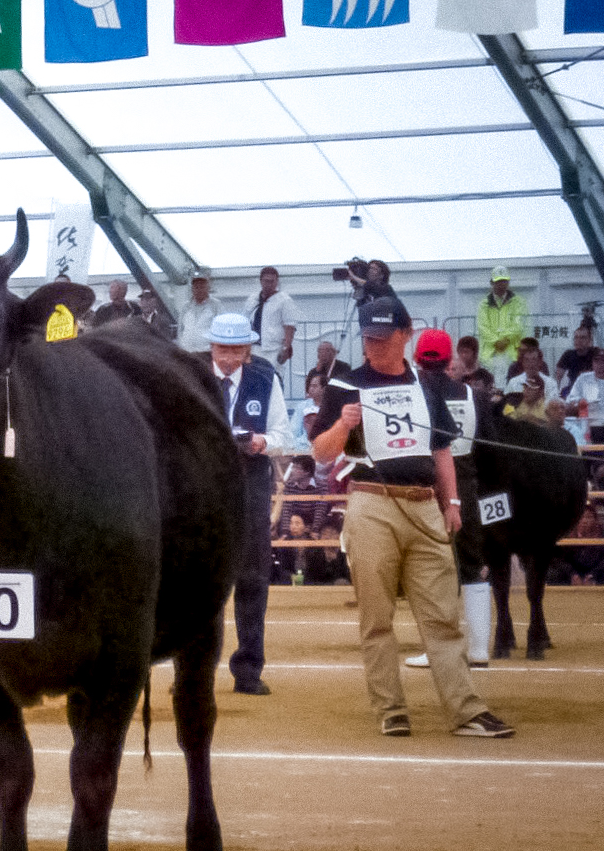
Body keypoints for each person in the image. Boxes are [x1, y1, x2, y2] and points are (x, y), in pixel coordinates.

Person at [309, 296, 514, 739]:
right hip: (371, 500)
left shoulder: (426, 385)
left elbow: (442, 450)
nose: (374, 346)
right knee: (377, 615)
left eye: (383, 338)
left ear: (406, 334)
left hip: (424, 503)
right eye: (368, 338)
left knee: (441, 612)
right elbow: (320, 452)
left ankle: (465, 708)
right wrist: (343, 426)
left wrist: (453, 502)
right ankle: (390, 707)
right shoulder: (345, 385)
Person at [207, 314, 291, 695]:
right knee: (200, 583)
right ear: (211, 347)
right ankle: (194, 671)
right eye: (222, 349)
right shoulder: (193, 376)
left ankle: (248, 669)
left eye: (237, 350)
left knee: (253, 578)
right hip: (201, 487)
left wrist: (261, 442)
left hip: (249, 485)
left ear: (248, 349)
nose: (228, 358)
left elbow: (282, 434)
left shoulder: (264, 378)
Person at [405, 329, 492, 671]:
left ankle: (439, 649)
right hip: (467, 487)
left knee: (434, 571)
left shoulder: (414, 393)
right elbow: (487, 448)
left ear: (417, 359)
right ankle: (479, 650)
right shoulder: (474, 397)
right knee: (472, 565)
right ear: (450, 361)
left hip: (429, 489)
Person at [244, 266, 298, 374]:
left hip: (273, 349)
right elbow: (245, 322)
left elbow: (290, 326)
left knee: (273, 379)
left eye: (272, 281)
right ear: (261, 281)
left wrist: (285, 348)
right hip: (253, 348)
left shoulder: (284, 300)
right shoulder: (252, 299)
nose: (269, 284)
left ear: (277, 282)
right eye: (266, 281)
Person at [569, 349, 604, 444]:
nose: (600, 365)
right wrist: (582, 403)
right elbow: (571, 400)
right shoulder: (583, 379)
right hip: (589, 425)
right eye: (596, 361)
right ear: (592, 363)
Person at [476, 267, 527, 370]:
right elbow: (483, 327)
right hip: (489, 356)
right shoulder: (483, 304)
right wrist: (496, 342)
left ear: (508, 282)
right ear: (492, 283)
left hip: (512, 355)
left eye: (504, 281)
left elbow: (519, 325)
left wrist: (506, 339)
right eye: (498, 281)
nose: (501, 284)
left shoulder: (518, 303)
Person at [177, 270, 223, 354]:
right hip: (187, 352)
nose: (199, 290)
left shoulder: (216, 305)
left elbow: (221, 329)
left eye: (202, 286)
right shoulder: (185, 307)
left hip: (207, 352)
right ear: (192, 289)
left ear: (208, 288)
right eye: (196, 287)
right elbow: (180, 329)